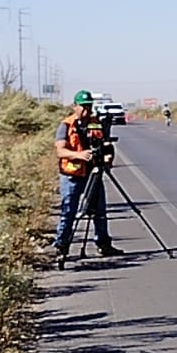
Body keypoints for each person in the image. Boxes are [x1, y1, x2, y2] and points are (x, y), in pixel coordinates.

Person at [50, 89, 125, 264]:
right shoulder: (66, 125)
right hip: (72, 175)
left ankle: (103, 244)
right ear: (74, 106)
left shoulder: (96, 123)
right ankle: (62, 246)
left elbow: (106, 145)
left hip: (93, 173)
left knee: (99, 211)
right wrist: (79, 155)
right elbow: (60, 151)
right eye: (82, 106)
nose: (86, 110)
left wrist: (107, 158)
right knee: (68, 212)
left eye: (88, 106)